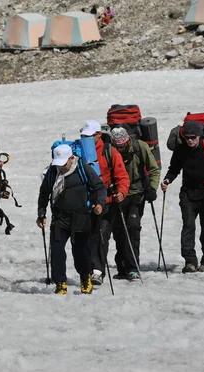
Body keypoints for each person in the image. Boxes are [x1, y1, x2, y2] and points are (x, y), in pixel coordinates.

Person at [37, 144, 106, 295]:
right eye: (58, 163)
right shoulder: (52, 172)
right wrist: (41, 214)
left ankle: (85, 277)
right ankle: (60, 283)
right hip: (60, 217)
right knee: (56, 251)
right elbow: (44, 193)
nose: (60, 167)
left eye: (63, 163)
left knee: (81, 252)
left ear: (71, 159)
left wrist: (100, 204)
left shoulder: (83, 168)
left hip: (82, 217)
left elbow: (99, 187)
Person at [161, 120, 204, 273]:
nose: (190, 140)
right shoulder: (180, 149)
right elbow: (174, 169)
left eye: (193, 137)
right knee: (188, 226)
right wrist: (167, 180)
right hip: (188, 193)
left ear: (199, 136)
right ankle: (190, 261)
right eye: (187, 138)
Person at [79, 120, 130, 285]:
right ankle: (86, 268)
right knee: (84, 236)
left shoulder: (110, 151)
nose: (85, 139)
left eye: (89, 136)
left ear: (98, 135)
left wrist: (121, 192)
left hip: (107, 202)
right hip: (83, 203)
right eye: (83, 136)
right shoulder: (78, 151)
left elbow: (122, 176)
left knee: (101, 236)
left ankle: (97, 270)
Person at [110, 127, 161, 279]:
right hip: (117, 194)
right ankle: (122, 268)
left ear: (127, 140)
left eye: (123, 145)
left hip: (137, 194)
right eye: (117, 145)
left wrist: (152, 187)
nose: (120, 148)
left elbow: (154, 169)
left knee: (132, 227)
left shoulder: (140, 147)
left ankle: (133, 268)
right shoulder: (110, 151)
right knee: (119, 231)